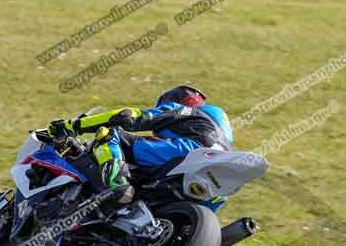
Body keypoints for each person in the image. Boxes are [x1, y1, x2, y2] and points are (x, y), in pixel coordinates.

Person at [46, 85, 233, 211]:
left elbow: (129, 116)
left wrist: (74, 125)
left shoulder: (183, 112)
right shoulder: (221, 145)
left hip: (189, 151)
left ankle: (116, 184)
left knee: (111, 134)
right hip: (209, 189)